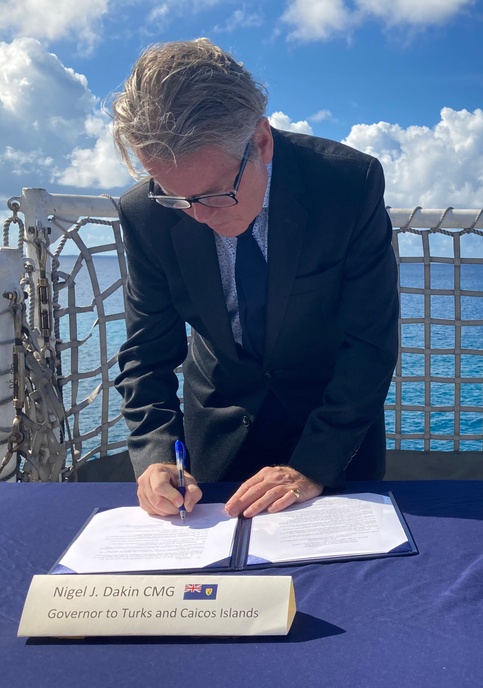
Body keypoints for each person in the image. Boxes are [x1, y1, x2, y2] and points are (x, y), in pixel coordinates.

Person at [110, 39, 399, 519]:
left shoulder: (349, 185)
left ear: (260, 141)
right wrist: (157, 454)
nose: (196, 216)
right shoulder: (145, 213)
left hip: (334, 443)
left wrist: (312, 466)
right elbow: (145, 353)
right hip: (213, 449)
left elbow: (370, 342)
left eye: (213, 195)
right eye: (175, 197)